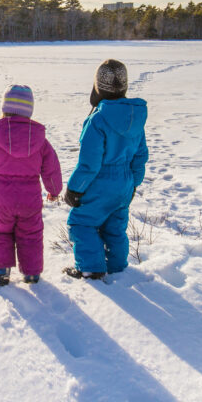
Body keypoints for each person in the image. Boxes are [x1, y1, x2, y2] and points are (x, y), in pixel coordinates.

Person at [62, 59, 148, 280]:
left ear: (98, 87)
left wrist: (74, 189)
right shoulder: (135, 118)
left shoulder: (98, 120)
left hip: (101, 182)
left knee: (81, 223)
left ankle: (91, 268)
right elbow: (140, 156)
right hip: (124, 184)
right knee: (115, 227)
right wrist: (134, 184)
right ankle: (118, 267)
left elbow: (89, 164)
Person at [0, 84, 62, 286]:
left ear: (4, 108)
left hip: (1, 198)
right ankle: (31, 274)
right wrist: (53, 190)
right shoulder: (41, 141)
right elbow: (51, 168)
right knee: (31, 234)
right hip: (30, 198)